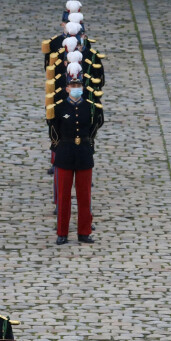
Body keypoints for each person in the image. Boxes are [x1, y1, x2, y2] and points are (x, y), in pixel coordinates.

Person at [47, 65, 104, 245]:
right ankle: (62, 232)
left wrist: (88, 143)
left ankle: (84, 232)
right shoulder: (59, 107)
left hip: (84, 154)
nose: (76, 89)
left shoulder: (91, 107)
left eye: (79, 86)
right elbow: (53, 130)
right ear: (67, 88)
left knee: (84, 196)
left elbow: (95, 126)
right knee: (64, 196)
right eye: (73, 86)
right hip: (65, 153)